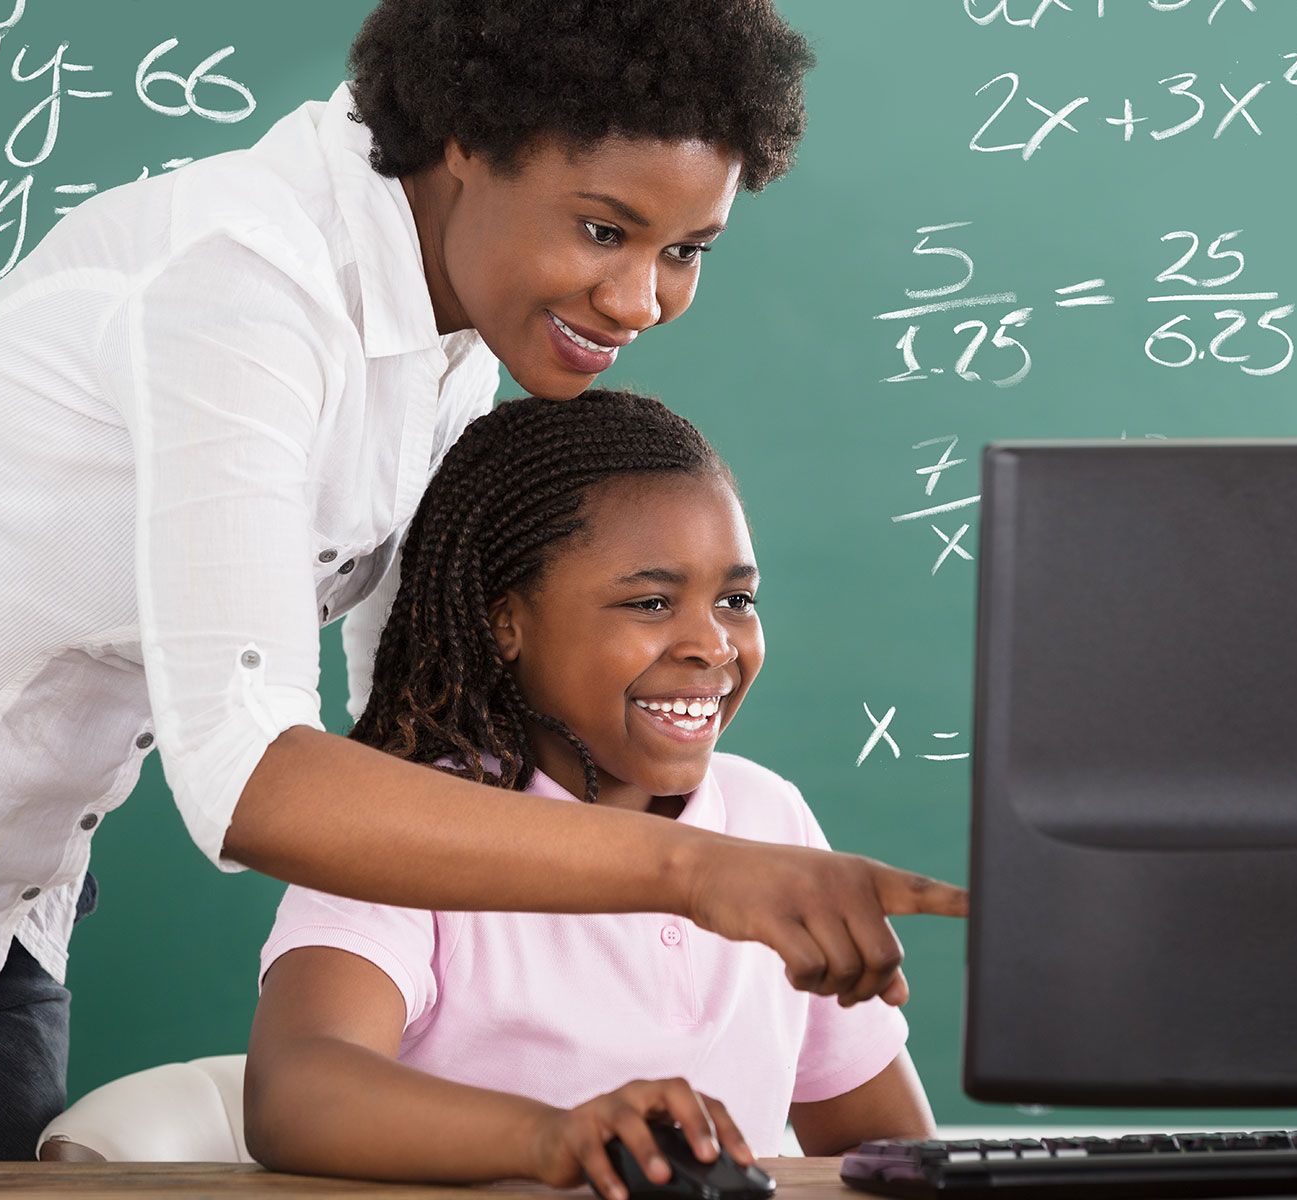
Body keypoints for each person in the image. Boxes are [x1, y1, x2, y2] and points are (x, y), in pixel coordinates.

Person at [0, 0, 964, 1164]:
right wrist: (692, 872)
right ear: (464, 137)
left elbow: (411, 726)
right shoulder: (242, 286)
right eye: (604, 230)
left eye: (685, 251)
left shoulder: (453, 336)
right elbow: (250, 780)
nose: (640, 299)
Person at [247, 391, 938, 1188]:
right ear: (507, 622)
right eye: (649, 602)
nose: (712, 645)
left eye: (736, 601)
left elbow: (891, 1149)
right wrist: (557, 1139)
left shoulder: (768, 819)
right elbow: (293, 1093)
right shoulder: (403, 828)